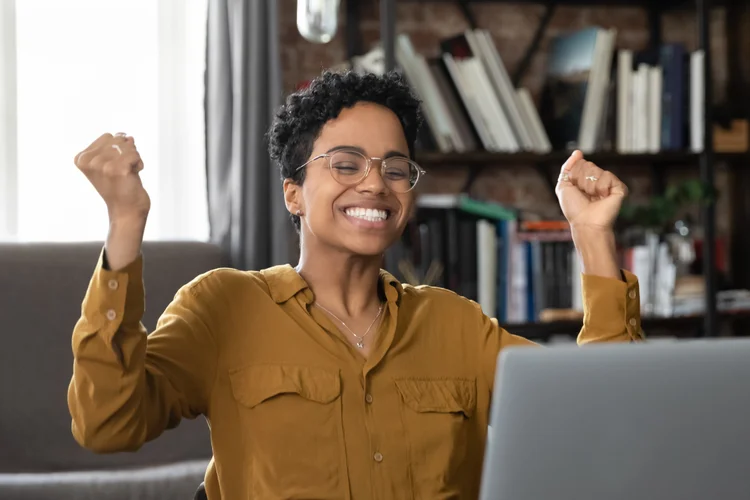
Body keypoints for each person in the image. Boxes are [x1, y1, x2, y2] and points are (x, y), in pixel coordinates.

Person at [68, 71, 642, 500]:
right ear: (294, 191)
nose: (375, 184)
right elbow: (108, 424)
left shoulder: (454, 325)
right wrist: (125, 226)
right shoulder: (223, 306)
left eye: (396, 169)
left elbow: (606, 418)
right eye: (345, 164)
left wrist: (592, 236)